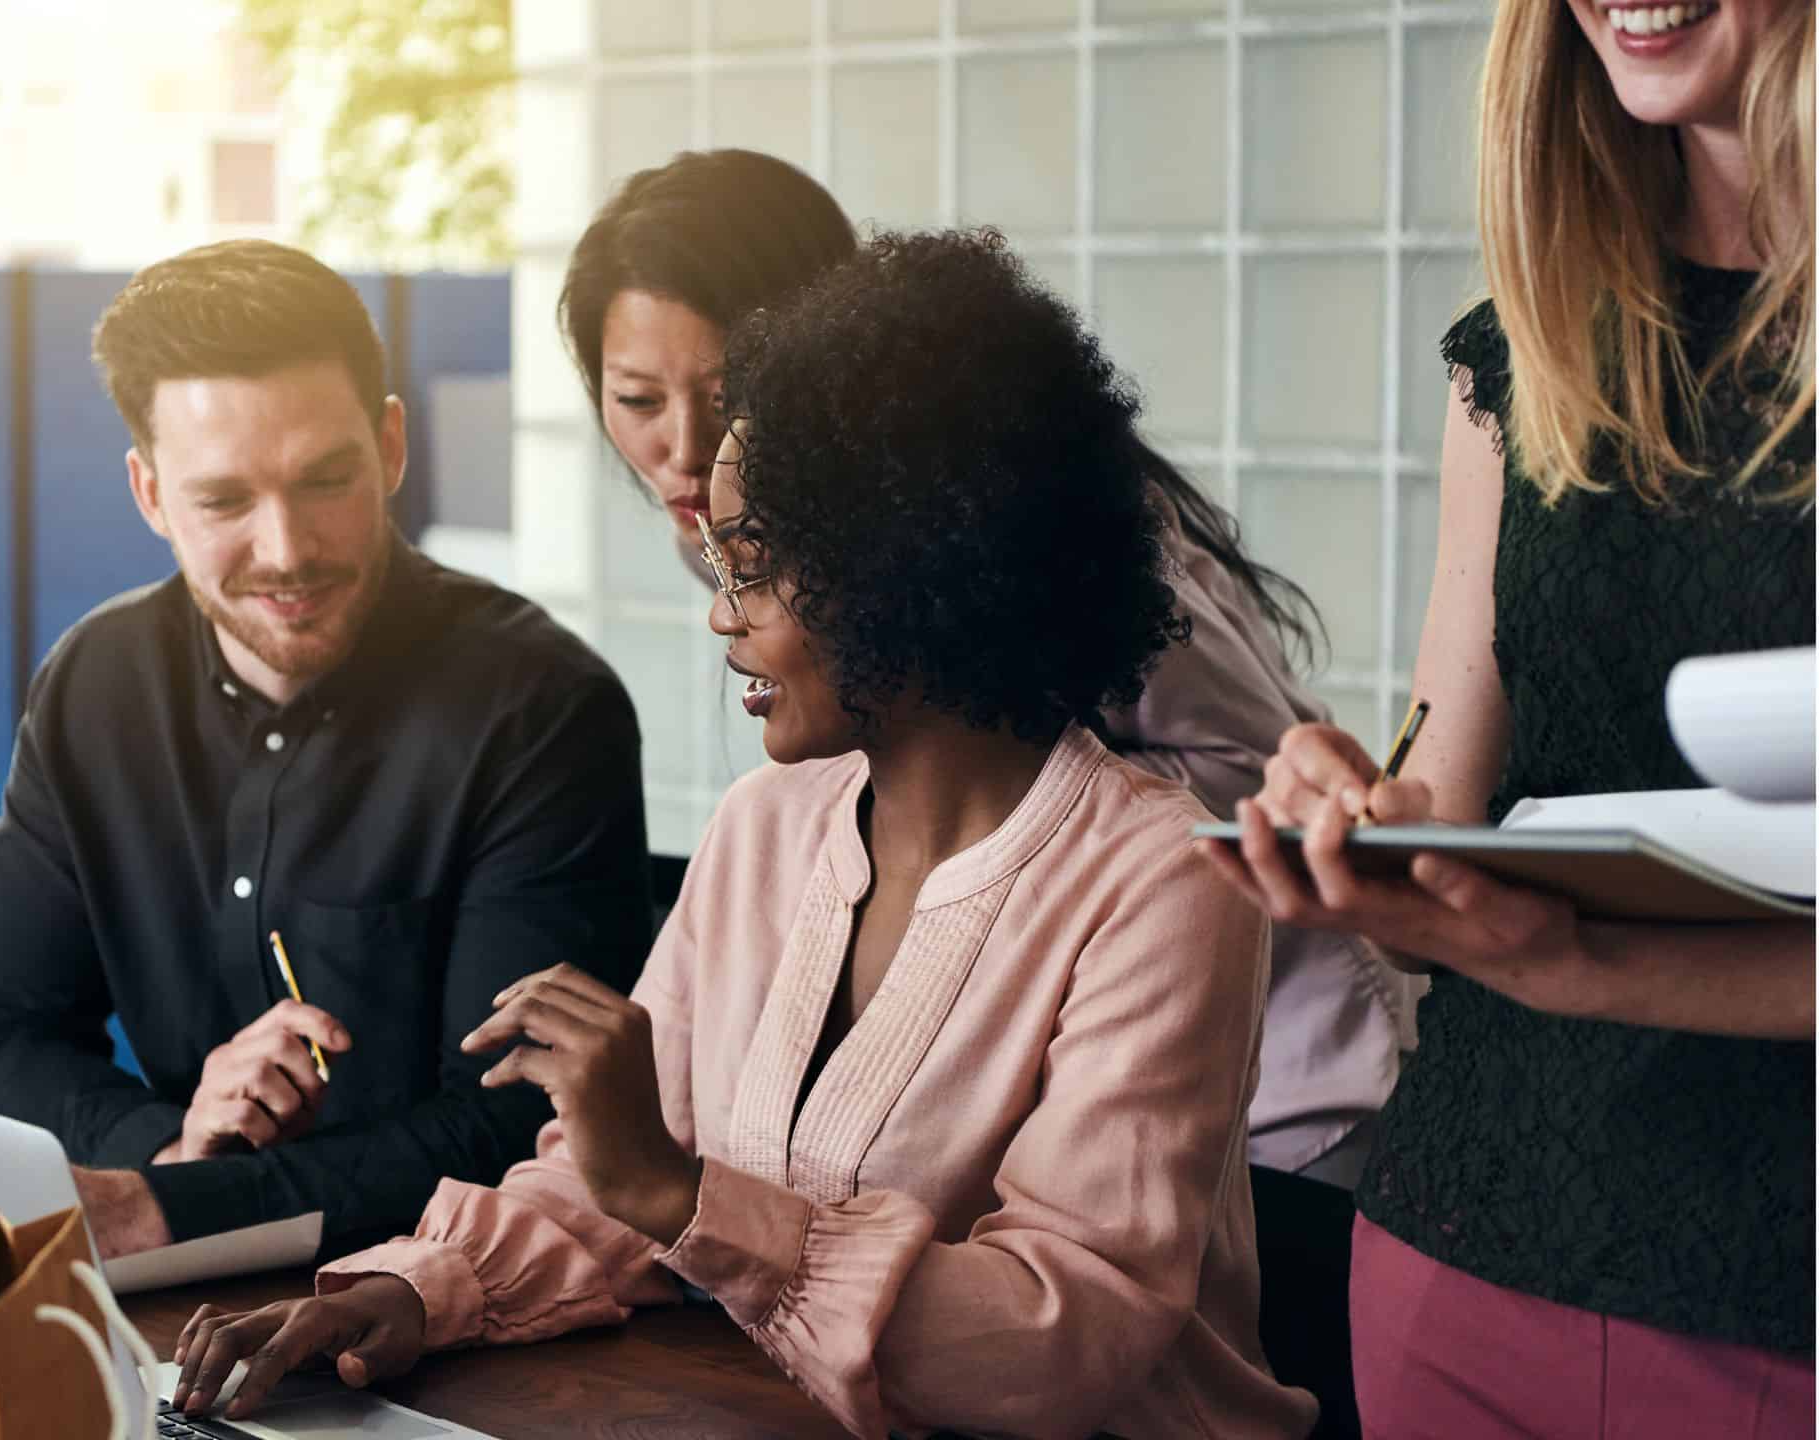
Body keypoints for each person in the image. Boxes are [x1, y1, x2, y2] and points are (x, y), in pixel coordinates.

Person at [164, 230, 1319, 1440]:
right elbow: (614, 1187)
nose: (720, 612)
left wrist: (677, 1191)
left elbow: (1059, 1340)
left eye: (756, 565)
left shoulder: (1164, 881)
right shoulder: (766, 828)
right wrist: (413, 1289)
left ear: (916, 564)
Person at [560, 147, 1409, 1193]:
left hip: (1281, 1094)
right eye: (638, 399)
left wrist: (998, 802)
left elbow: (1249, 776)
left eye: (726, 388)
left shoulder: (1033, 527)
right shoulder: (741, 546)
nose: (682, 451)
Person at [1200, 0, 1815, 1429]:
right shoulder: (1527, 345)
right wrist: (1356, 812)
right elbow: (1442, 775)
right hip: (1467, 1250)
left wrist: (1586, 964)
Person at [0, 240, 653, 1261]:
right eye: (224, 502)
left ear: (391, 447)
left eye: (324, 481)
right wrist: (166, 1146)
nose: (286, 550)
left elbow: (515, 1126)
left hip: (455, 1295)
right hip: (190, 1288)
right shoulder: (96, 682)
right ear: (150, 495)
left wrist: (181, 1206)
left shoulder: (540, 707)